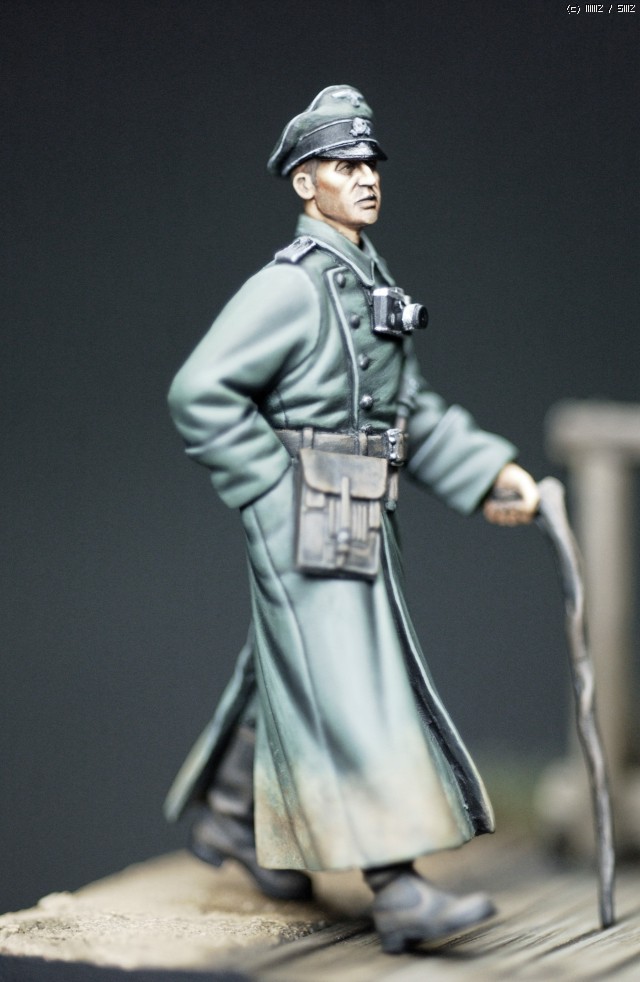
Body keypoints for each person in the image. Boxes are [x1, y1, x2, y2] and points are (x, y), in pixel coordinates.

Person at [165, 85, 539, 953]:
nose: (366, 178)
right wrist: (273, 492)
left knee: (298, 663)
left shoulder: (370, 277)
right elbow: (199, 392)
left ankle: (233, 817)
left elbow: (411, 409)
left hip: (355, 503)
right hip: (308, 509)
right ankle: (397, 888)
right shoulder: (289, 288)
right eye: (343, 165)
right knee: (353, 687)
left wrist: (487, 471)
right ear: (306, 183)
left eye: (371, 163)